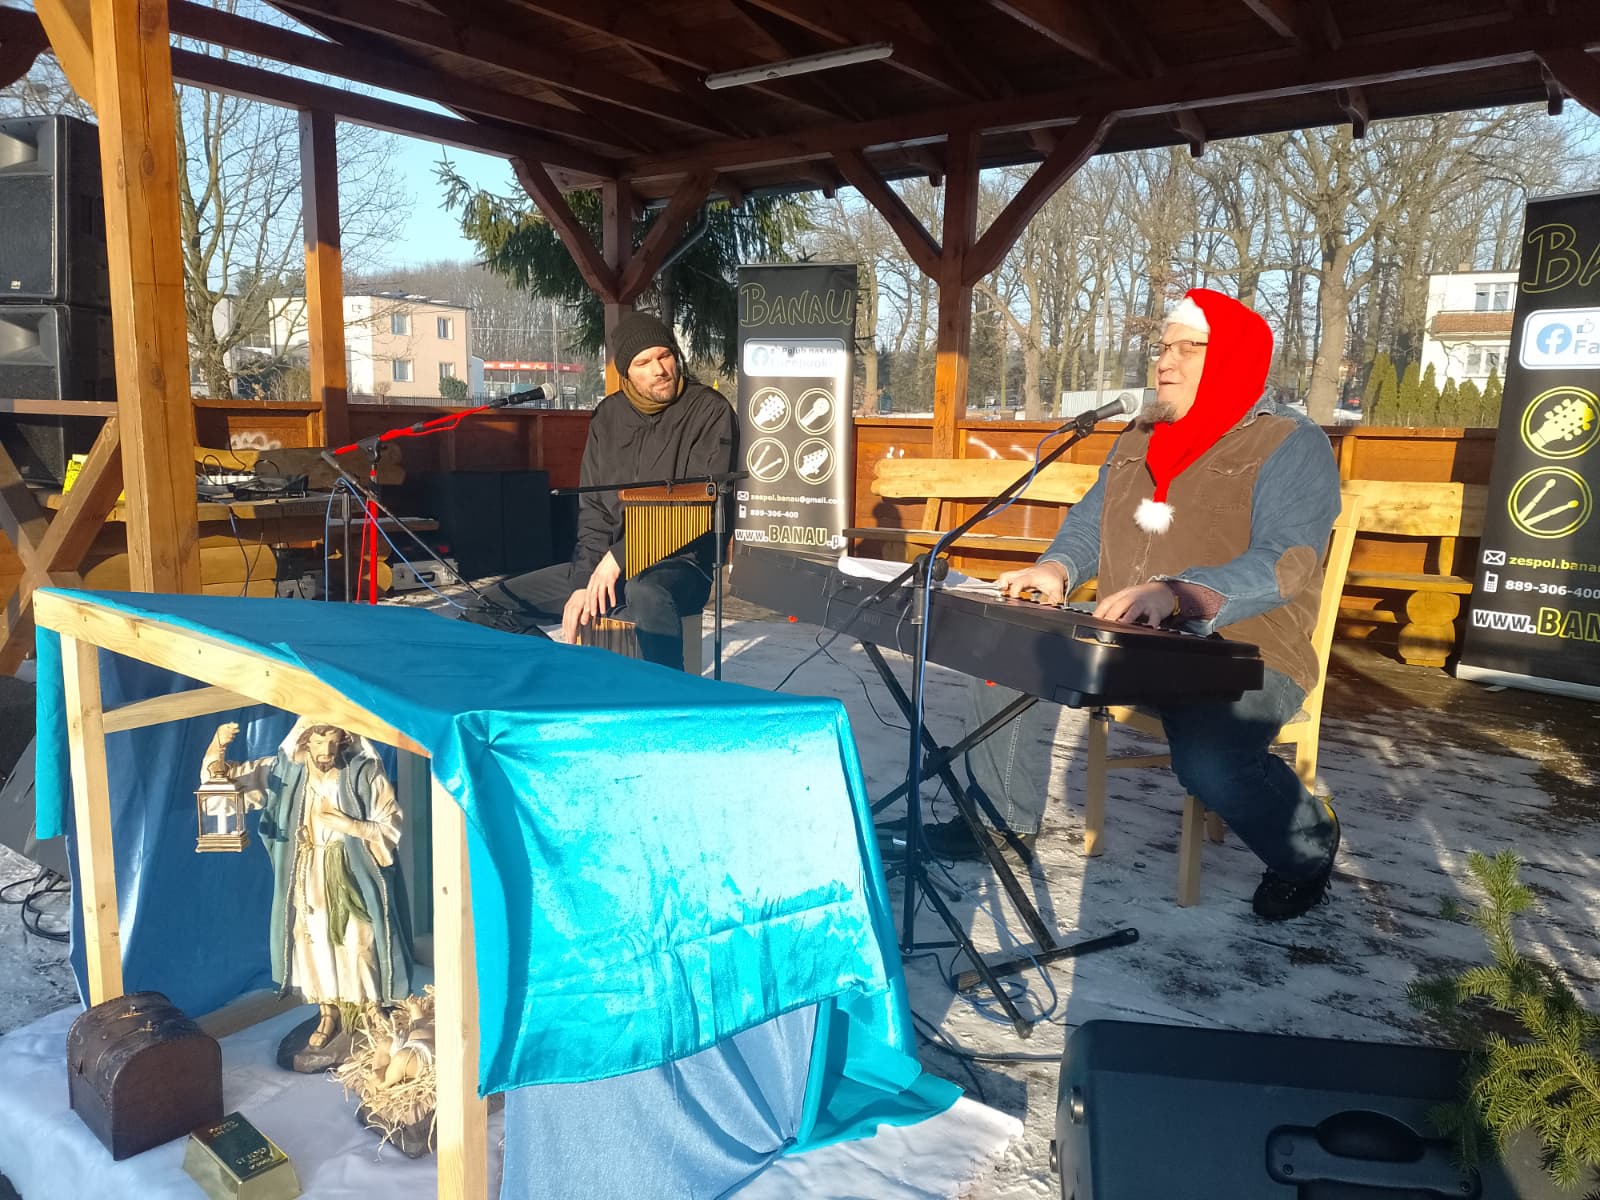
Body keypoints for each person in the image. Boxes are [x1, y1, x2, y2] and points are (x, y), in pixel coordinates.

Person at [923, 287, 1343, 921]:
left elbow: (1287, 561)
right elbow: (1091, 522)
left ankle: (1309, 845)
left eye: (1185, 347)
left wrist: (1177, 593)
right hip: (1128, 639)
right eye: (1161, 347)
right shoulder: (1141, 432)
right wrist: (1058, 568)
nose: (1164, 361)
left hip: (1245, 651)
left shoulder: (1289, 442)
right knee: (1004, 655)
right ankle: (999, 824)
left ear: (1230, 357)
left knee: (1209, 760)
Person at [468, 312, 737, 670]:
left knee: (644, 591)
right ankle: (563, 673)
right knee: (487, 606)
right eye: (643, 362)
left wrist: (619, 558)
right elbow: (594, 510)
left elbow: (699, 504)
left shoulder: (710, 410)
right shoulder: (608, 416)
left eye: (664, 356)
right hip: (609, 565)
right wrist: (584, 580)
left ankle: (668, 697)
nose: (659, 369)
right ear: (627, 372)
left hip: (681, 563)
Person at [201, 718, 414, 1055]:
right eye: (317, 742)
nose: (325, 750)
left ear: (344, 739)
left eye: (332, 741)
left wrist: (352, 826)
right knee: (314, 941)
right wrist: (218, 746)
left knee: (360, 938)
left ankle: (372, 1008)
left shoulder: (364, 773)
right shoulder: (286, 773)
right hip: (308, 869)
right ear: (304, 742)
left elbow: (391, 825)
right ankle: (328, 1013)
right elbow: (226, 784)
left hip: (351, 868)